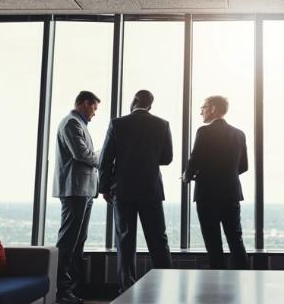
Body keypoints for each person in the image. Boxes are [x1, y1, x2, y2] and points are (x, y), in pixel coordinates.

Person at [98, 90, 173, 292]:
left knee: (125, 240)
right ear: (150, 105)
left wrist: (104, 187)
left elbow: (105, 159)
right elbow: (167, 158)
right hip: (151, 189)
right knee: (158, 239)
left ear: (134, 101)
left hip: (123, 190)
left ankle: (126, 288)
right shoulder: (162, 124)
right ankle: (165, 285)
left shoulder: (118, 123)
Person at [182, 95, 249, 269]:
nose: (201, 112)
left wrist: (187, 176)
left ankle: (217, 276)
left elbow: (194, 159)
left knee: (212, 240)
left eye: (203, 107)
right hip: (231, 192)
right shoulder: (239, 134)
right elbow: (243, 166)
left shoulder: (204, 132)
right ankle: (244, 274)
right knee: (235, 238)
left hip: (207, 193)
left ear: (213, 109)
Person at [53, 91, 101, 304]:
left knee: (78, 240)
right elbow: (82, 155)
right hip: (75, 190)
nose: (94, 113)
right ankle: (61, 291)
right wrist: (103, 156)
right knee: (69, 240)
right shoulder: (71, 123)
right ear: (84, 103)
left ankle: (71, 288)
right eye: (94, 108)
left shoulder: (77, 124)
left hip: (84, 190)